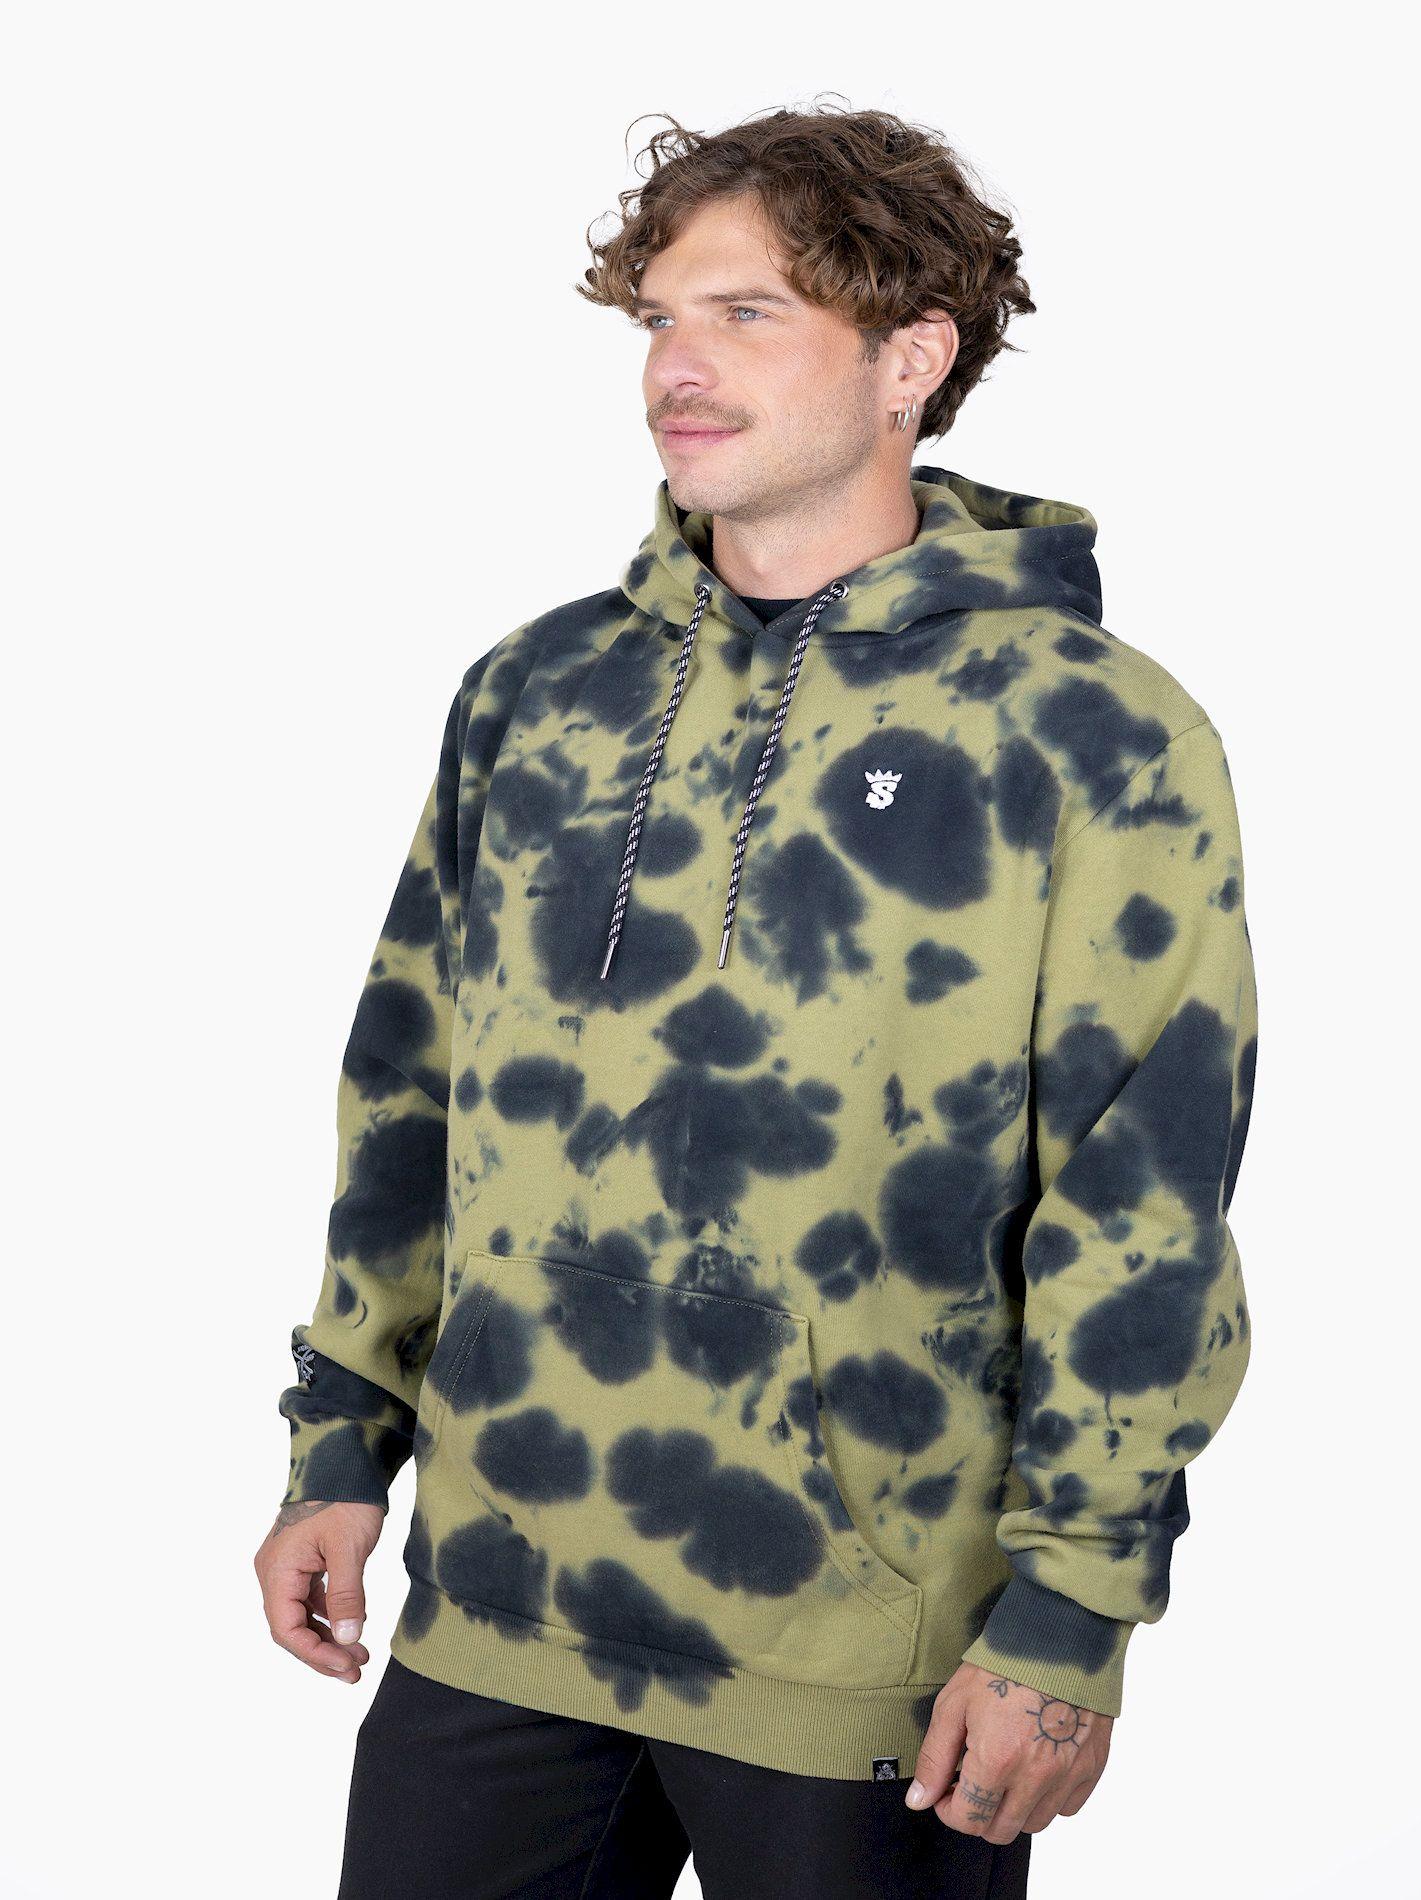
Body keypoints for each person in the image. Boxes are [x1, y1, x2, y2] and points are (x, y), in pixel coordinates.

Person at [254, 101, 1257, 1899]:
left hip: (868, 1646)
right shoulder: (539, 691)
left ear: (910, 358)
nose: (676, 367)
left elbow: (1143, 1203)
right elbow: (408, 1085)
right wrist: (341, 1440)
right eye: (659, 318)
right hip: (500, 1598)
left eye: (746, 314)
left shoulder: (1089, 728)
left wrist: (1072, 1613)